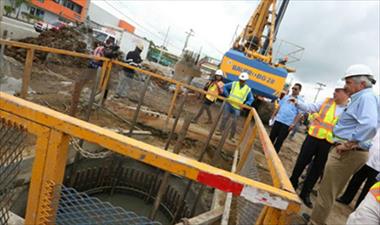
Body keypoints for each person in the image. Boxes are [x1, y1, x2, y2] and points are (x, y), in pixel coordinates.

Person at [308, 64, 379, 225]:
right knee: (330, 190)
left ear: (361, 83)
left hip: (347, 152)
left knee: (327, 191)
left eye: (348, 82)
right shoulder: (367, 98)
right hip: (350, 151)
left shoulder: (365, 98)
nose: (346, 87)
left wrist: (349, 143)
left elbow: (369, 125)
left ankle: (315, 222)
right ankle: (316, 219)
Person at [288, 80, 349, 208]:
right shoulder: (327, 101)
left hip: (328, 144)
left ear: (346, 93)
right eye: (334, 90)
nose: (334, 92)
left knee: (317, 169)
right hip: (313, 138)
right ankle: (291, 183)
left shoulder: (349, 110)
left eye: (337, 90)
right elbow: (310, 107)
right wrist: (297, 102)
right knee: (302, 161)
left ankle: (305, 193)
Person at [336, 128, 380, 209]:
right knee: (355, 180)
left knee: (368, 188)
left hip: (377, 167)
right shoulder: (377, 127)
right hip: (366, 159)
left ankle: (359, 207)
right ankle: (345, 198)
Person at [215, 72, 254, 143]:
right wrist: (227, 94)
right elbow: (224, 87)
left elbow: (251, 99)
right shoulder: (234, 83)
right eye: (240, 80)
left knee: (234, 122)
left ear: (245, 81)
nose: (241, 81)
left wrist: (246, 104)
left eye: (243, 81)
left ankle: (231, 136)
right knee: (225, 117)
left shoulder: (247, 89)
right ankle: (220, 131)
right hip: (229, 104)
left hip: (237, 108)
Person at [269, 83, 303, 153]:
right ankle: (267, 151)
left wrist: (293, 124)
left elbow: (299, 114)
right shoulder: (286, 97)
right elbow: (279, 106)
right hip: (278, 119)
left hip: (287, 123)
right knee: (271, 137)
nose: (293, 90)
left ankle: (274, 155)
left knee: (280, 140)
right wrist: (273, 116)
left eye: (295, 89)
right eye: (293, 88)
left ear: (299, 90)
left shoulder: (300, 102)